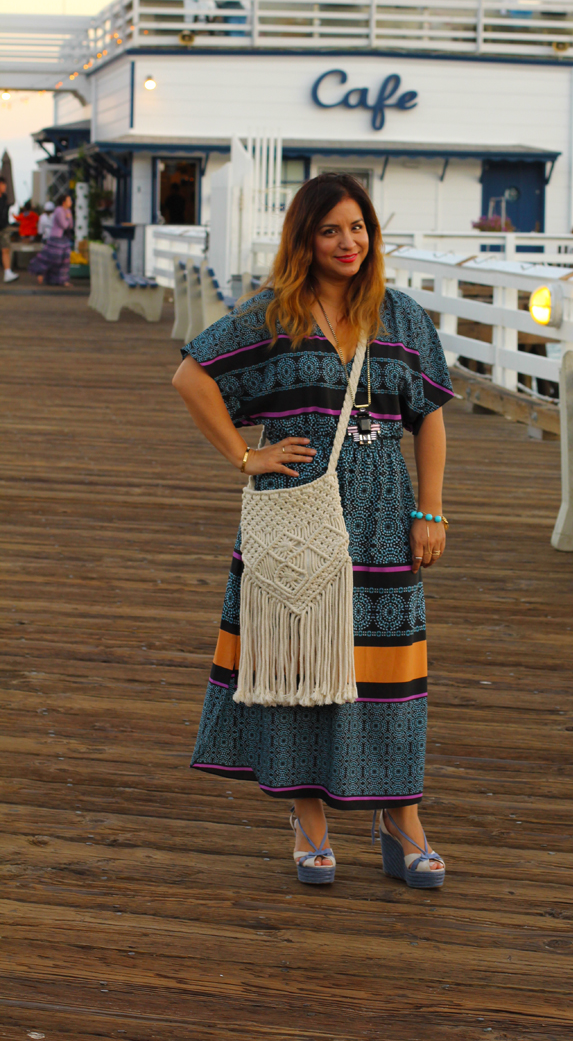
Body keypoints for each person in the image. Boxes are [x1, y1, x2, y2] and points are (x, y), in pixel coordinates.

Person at [172, 173, 452, 887]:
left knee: (389, 672)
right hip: (296, 512)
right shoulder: (274, 316)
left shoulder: (402, 317)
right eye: (330, 229)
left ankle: (400, 816)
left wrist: (431, 510)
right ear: (306, 238)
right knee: (298, 662)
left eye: (358, 227)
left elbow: (431, 419)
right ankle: (309, 816)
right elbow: (191, 377)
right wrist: (246, 455)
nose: (347, 241)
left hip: (386, 521)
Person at [28, 194, 73, 286]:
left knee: (63, 260)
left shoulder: (67, 211)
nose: (70, 202)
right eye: (69, 200)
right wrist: (68, 218)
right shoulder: (59, 211)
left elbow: (70, 225)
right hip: (55, 238)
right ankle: (41, 272)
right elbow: (64, 225)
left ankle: (61, 280)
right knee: (52, 259)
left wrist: (68, 217)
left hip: (62, 239)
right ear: (64, 202)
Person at [0, 178, 18, 283]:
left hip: (4, 227)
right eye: (3, 185)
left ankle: (7, 272)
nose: (4, 187)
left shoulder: (5, 198)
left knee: (6, 249)